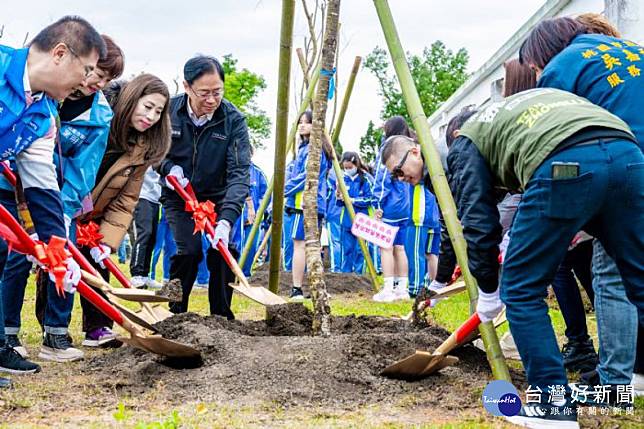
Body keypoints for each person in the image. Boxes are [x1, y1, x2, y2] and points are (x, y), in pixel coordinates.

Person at [381, 88, 643, 428]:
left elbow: (477, 221)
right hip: (629, 155)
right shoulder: (512, 118)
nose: (401, 180)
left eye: (399, 171)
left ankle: (551, 407)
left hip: (567, 160)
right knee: (638, 280)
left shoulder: (464, 144)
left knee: (520, 289)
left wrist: (489, 290)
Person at [521, 16, 644, 396]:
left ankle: (617, 383)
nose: (537, 73)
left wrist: (563, 221)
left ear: (543, 54)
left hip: (628, 166)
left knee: (612, 271)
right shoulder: (632, 51)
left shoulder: (561, 69)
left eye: (534, 67)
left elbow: (561, 149)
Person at [0, 34, 123, 363]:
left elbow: (42, 182)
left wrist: (56, 246)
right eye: (87, 70)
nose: (87, 81)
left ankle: (13, 341)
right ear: (59, 54)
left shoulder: (42, 116)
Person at [78, 74, 170, 346]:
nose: (151, 116)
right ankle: (53, 330)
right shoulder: (98, 120)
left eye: (158, 111)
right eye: (147, 106)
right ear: (132, 100)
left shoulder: (143, 147)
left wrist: (107, 241)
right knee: (62, 269)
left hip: (98, 214)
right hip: (67, 202)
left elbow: (126, 199)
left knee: (98, 266)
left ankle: (98, 330)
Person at [159, 55, 251, 318]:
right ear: (187, 87)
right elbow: (154, 151)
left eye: (217, 92)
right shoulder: (169, 111)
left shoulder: (233, 120)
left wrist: (227, 218)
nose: (211, 100)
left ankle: (221, 317)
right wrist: (167, 168)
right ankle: (177, 314)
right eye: (204, 93)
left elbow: (239, 172)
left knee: (223, 250)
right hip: (179, 194)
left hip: (218, 195)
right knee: (187, 251)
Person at [284, 110, 331, 300]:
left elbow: (307, 176)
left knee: (300, 245)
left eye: (307, 122)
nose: (302, 125)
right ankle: (312, 288)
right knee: (311, 246)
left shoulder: (314, 148)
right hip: (313, 203)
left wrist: (284, 188)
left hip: (303, 203)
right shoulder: (307, 148)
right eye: (300, 122)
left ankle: (297, 288)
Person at [372, 116, 411, 302]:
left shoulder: (388, 150)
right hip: (405, 206)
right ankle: (402, 289)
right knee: (400, 248)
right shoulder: (408, 147)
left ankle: (388, 289)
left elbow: (381, 180)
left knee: (385, 248)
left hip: (389, 205)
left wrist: (378, 205)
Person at [231, 145, 268, 277]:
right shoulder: (233, 171)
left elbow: (266, 196)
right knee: (234, 244)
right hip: (235, 217)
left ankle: (246, 272)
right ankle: (232, 273)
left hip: (253, 218)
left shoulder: (258, 173)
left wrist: (260, 211)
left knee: (251, 245)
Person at [336, 151, 374, 273]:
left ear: (356, 164)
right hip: (347, 220)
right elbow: (338, 203)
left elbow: (370, 198)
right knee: (347, 249)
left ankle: (359, 274)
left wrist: (353, 200)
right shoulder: (342, 179)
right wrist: (339, 197)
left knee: (360, 249)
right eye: (345, 168)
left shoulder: (366, 179)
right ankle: (345, 274)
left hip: (362, 220)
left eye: (350, 167)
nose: (347, 170)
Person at [129, 167, 163, 289]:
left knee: (152, 237)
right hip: (142, 196)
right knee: (145, 233)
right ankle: (136, 273)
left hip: (156, 199)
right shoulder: (147, 150)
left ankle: (144, 274)